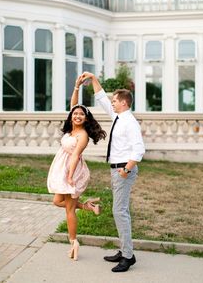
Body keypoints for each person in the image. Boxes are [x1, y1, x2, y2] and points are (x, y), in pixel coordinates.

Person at [81, 72, 145, 273]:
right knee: (120, 211)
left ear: (124, 103)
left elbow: (139, 149)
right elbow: (101, 98)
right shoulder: (118, 116)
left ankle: (128, 256)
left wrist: (126, 169)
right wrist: (92, 79)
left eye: (115, 100)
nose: (112, 103)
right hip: (118, 170)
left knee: (120, 212)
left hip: (123, 170)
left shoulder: (130, 122)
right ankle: (124, 250)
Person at [47, 76, 106, 261]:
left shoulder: (83, 135)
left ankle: (73, 242)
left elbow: (74, 156)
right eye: (75, 114)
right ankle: (89, 207)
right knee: (57, 201)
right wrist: (76, 87)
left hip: (72, 170)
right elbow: (74, 105)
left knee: (69, 210)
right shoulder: (71, 130)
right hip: (63, 167)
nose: (77, 115)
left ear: (86, 118)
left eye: (81, 114)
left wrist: (70, 176)